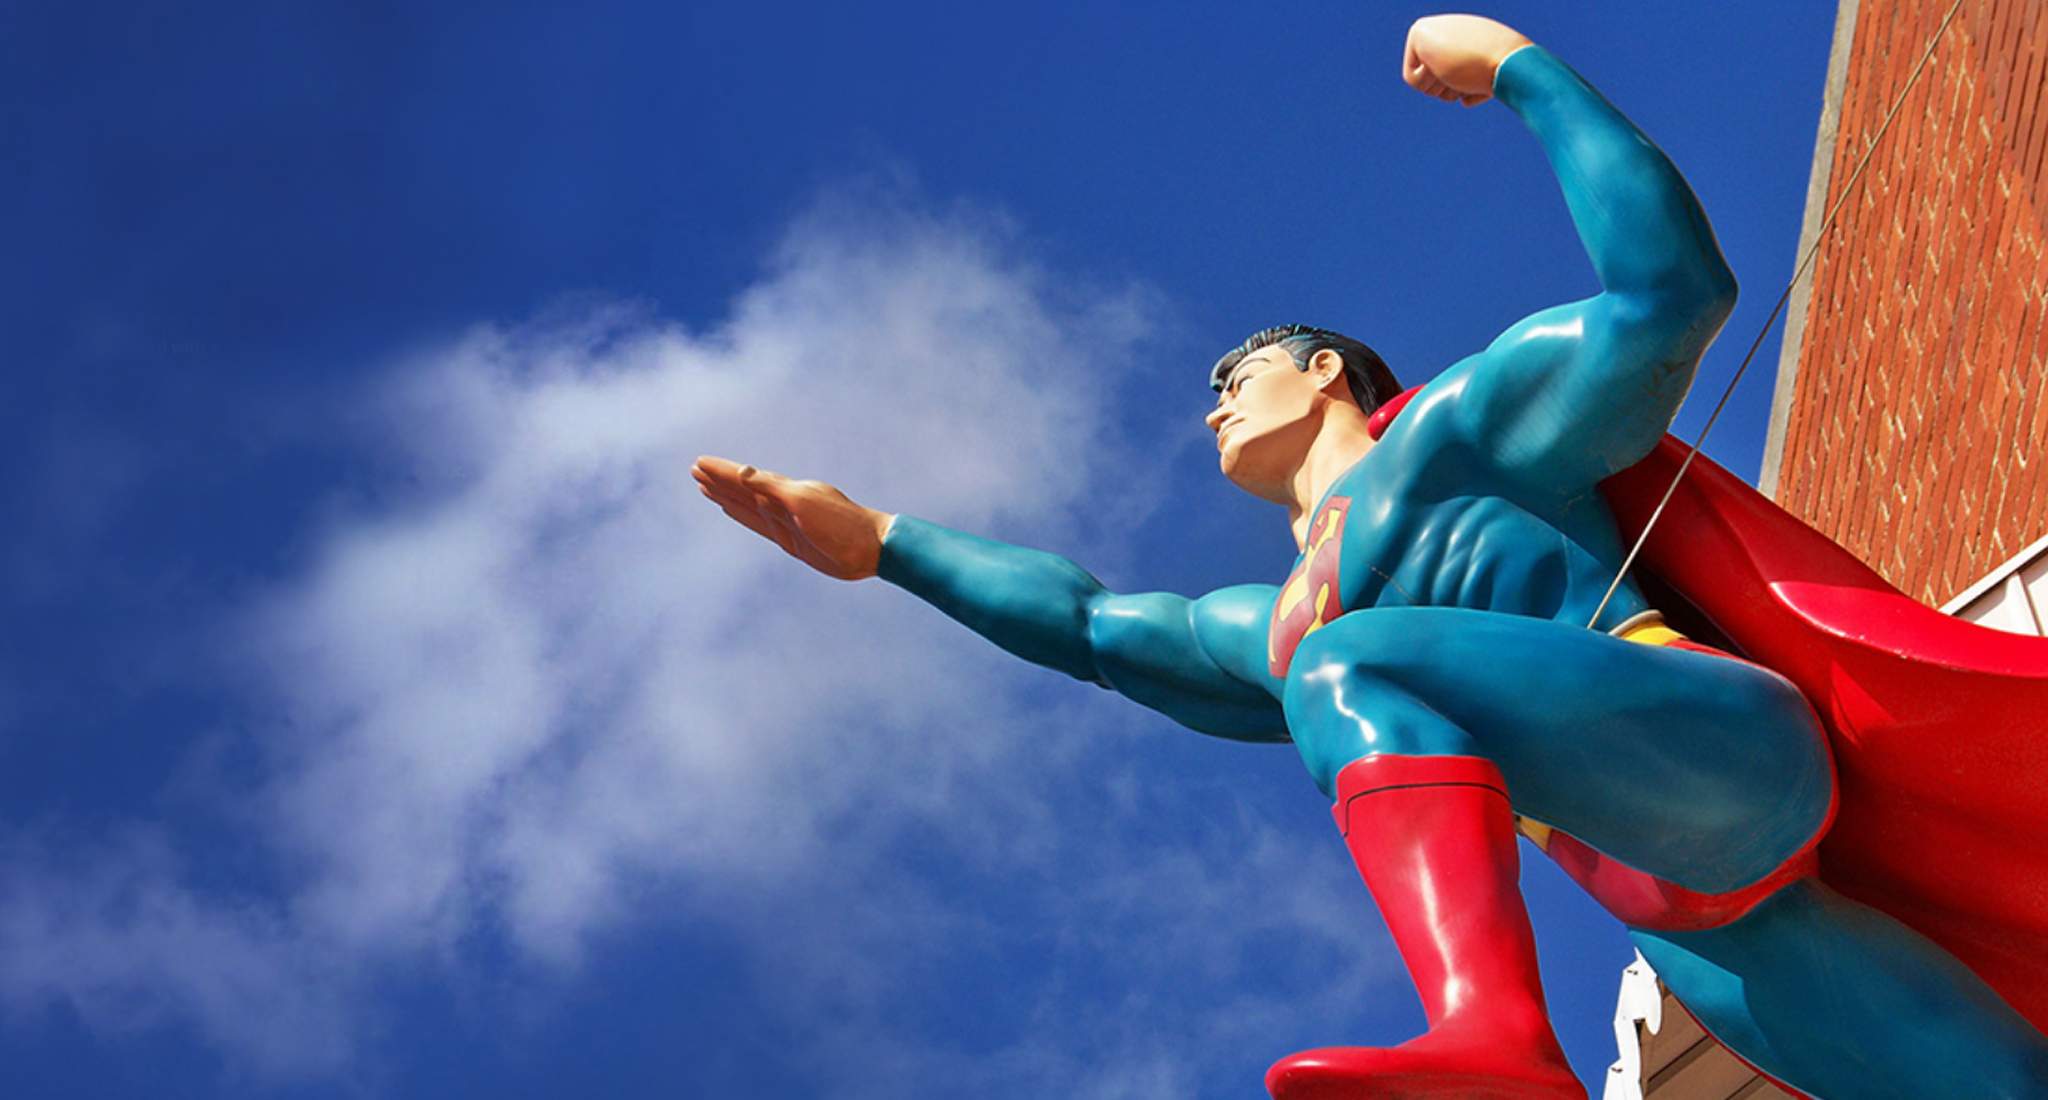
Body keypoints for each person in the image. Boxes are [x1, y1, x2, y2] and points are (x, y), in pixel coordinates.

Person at [695, 15, 2048, 1099]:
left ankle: (1494, 1031)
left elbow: (1669, 293)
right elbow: (1096, 626)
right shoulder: (1274, 622)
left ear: (1326, 371)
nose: (1212, 403)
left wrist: (1523, 71)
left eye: (1238, 374)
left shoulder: (1460, 436)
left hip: (1711, 745)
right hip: (1694, 915)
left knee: (1351, 668)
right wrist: (883, 543)